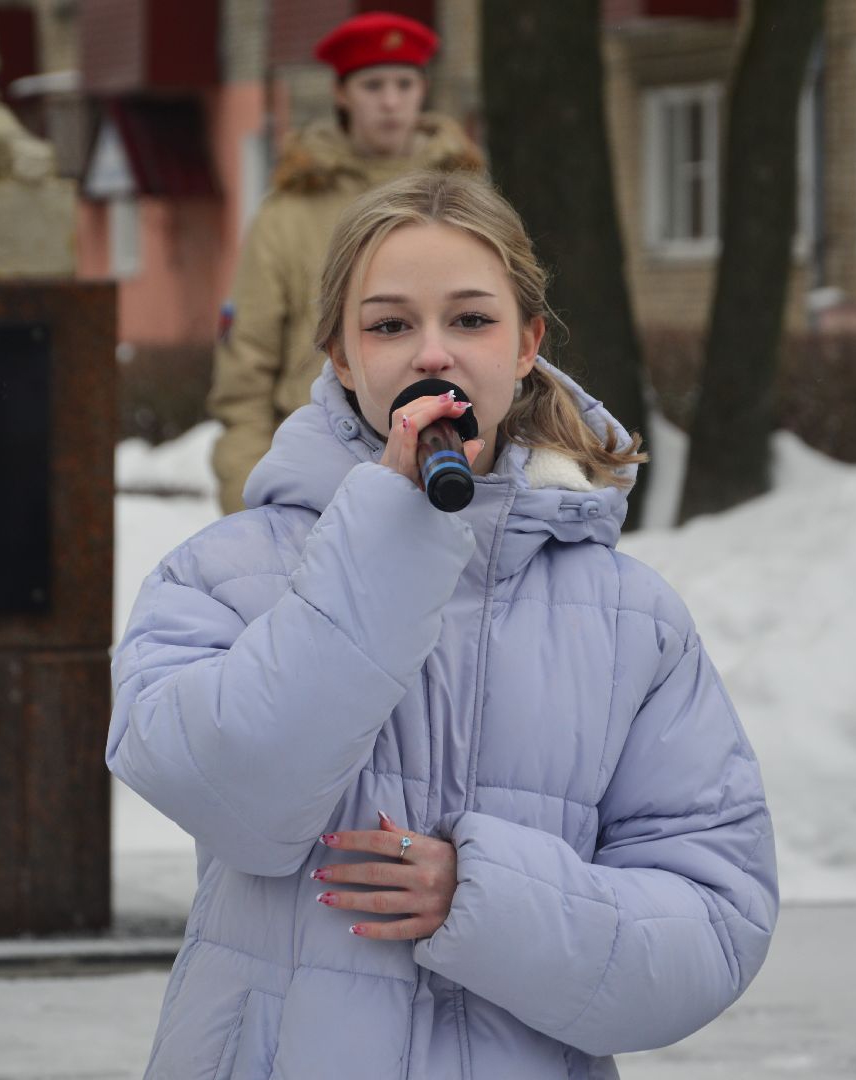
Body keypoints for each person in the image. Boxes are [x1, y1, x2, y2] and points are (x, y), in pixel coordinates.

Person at [110, 171, 777, 1078]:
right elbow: (246, 800)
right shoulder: (221, 577)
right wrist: (388, 529)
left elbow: (713, 927)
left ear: (527, 344)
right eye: (389, 325)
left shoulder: (633, 620)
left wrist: (488, 897)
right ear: (342, 357)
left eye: (470, 320)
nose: (433, 354)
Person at [207, 11, 483, 514]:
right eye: (373, 84)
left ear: (424, 89)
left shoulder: (468, 203)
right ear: (342, 94)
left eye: (404, 83)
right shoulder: (287, 213)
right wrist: (249, 495)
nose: (390, 101)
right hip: (317, 475)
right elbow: (245, 371)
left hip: (451, 465)